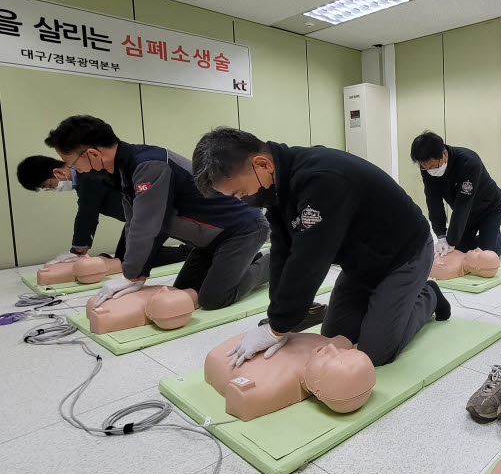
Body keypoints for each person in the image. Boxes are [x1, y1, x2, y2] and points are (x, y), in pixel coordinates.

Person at [191, 127, 451, 368]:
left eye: (239, 192)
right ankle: (388, 303)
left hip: (403, 256)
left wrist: (277, 328)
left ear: (262, 164)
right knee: (332, 338)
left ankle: (427, 295)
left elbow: (310, 259)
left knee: (375, 353)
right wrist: (277, 320)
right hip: (360, 261)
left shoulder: (321, 179)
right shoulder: (276, 187)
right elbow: (283, 252)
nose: (242, 200)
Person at [44, 115, 269, 310]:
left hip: (242, 230)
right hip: (210, 240)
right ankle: (239, 263)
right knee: (183, 291)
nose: (74, 169)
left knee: (213, 298)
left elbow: (149, 224)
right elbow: (133, 223)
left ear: (92, 154)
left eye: (71, 163)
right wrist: (136, 272)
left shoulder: (149, 165)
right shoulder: (126, 169)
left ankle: (273, 264)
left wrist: (131, 274)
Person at [16, 154, 189, 268]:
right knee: (123, 259)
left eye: (49, 186)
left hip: (156, 215)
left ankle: (189, 253)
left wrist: (77, 251)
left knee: (137, 260)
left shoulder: (88, 175)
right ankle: (188, 251)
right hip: (139, 220)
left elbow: (87, 213)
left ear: (57, 172)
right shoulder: (84, 180)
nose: (53, 190)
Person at [410, 131, 501, 257]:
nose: (430, 170)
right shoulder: (426, 168)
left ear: (444, 154)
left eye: (433, 166)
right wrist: (441, 236)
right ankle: (487, 238)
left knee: (486, 255)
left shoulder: (469, 162)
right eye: (425, 167)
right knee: (460, 251)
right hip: (467, 214)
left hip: (489, 208)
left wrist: (451, 240)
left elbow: (463, 204)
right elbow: (433, 201)